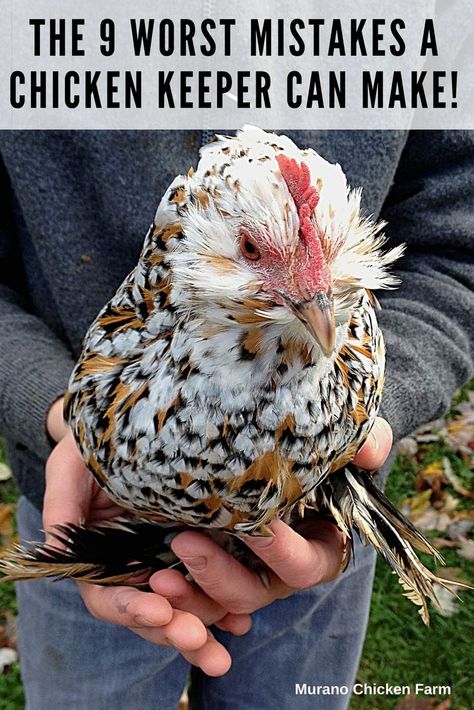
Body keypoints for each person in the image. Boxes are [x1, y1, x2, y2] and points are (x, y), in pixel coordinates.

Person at [0, 128, 472, 710]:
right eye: (255, 251)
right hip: (89, 506)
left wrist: (373, 410)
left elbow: (457, 246)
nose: (315, 299)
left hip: (317, 521)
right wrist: (58, 407)